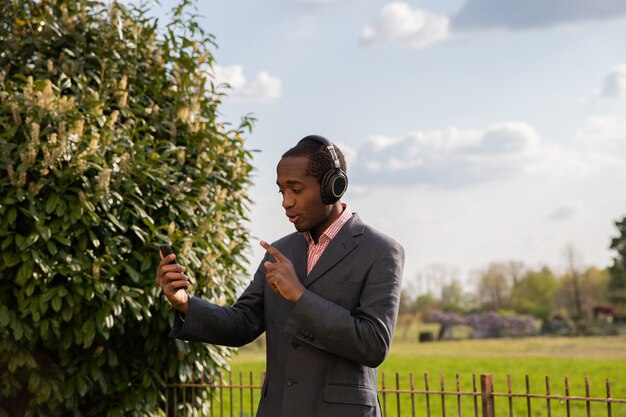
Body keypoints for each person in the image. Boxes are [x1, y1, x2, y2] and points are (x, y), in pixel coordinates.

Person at [156, 135, 405, 417]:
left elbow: (373, 344)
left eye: (296, 190)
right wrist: (184, 302)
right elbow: (242, 324)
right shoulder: (279, 251)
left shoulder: (382, 252)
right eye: (281, 191)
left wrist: (299, 295)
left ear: (332, 188)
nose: (286, 202)